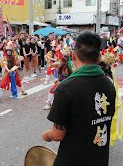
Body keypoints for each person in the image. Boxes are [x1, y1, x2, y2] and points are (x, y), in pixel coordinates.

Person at [41, 32, 116, 166]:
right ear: (99, 57)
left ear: (74, 56)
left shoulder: (66, 88)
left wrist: (46, 136)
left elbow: (57, 134)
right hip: (100, 159)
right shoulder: (109, 84)